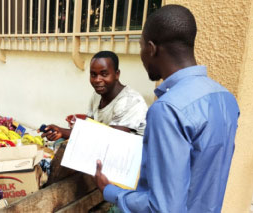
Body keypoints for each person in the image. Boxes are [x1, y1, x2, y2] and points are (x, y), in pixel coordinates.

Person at [94, 5, 240, 212]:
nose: (142, 55)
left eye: (141, 46)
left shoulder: (167, 109)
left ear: (152, 49)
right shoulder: (225, 98)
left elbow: (163, 207)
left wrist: (110, 190)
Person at [42, 51, 148, 140]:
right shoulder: (97, 95)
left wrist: (64, 132)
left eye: (104, 74)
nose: (97, 80)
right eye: (93, 75)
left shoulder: (130, 101)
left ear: (117, 74)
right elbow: (88, 127)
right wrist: (59, 132)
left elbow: (113, 139)